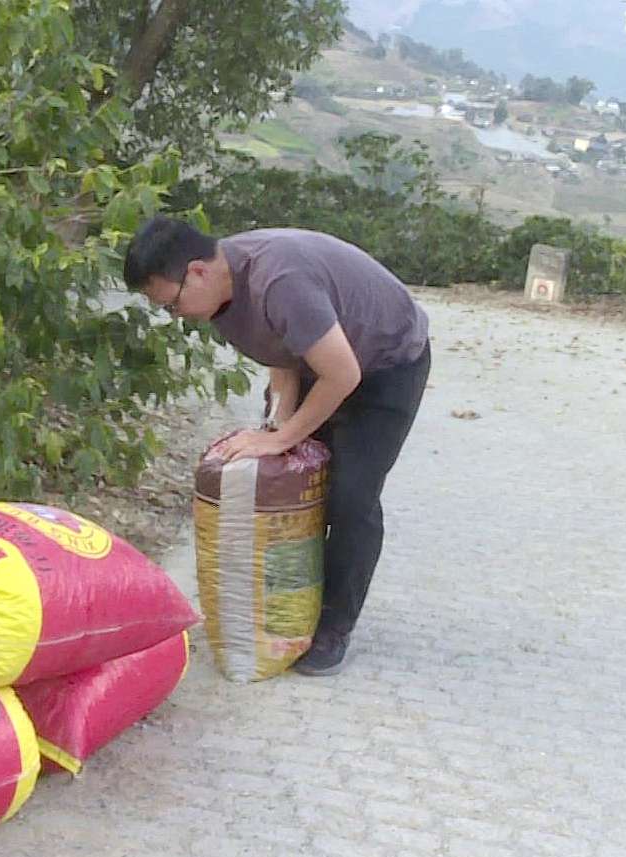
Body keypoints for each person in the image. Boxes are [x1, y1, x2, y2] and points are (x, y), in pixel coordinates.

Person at [122, 218, 431, 676]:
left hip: (387, 363)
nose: (175, 315)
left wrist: (283, 439)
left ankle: (333, 627)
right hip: (324, 361)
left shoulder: (279, 279)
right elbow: (282, 354)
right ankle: (288, 607)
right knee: (287, 482)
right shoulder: (219, 295)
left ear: (198, 271)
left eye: (171, 303)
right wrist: (278, 425)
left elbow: (344, 375)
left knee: (350, 496)